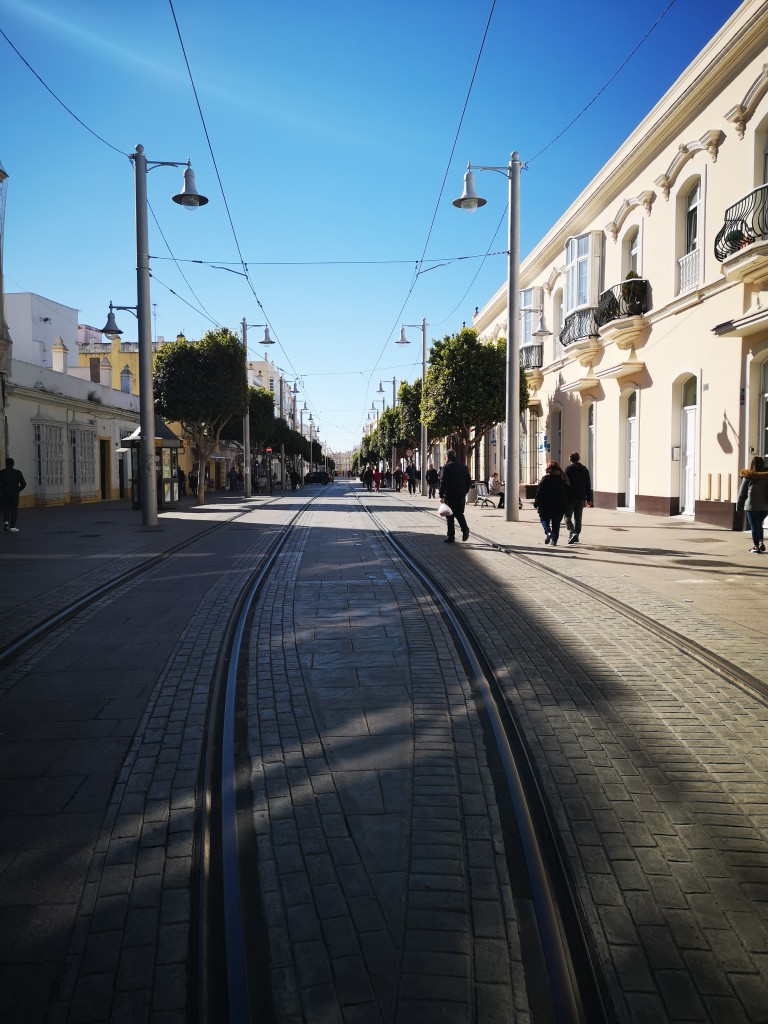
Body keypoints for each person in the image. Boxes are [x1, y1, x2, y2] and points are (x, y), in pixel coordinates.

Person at [736, 455, 768, 554]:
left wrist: (739, 506)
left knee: (754, 525)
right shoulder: (766, 477)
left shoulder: (748, 477)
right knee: (759, 525)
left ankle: (756, 547)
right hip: (765, 506)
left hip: (751, 506)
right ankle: (761, 543)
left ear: (752, 465)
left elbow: (742, 493)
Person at [533, 460, 569, 547]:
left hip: (546, 505)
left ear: (548, 469)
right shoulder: (563, 479)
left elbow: (539, 492)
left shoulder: (545, 479)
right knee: (556, 524)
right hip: (559, 505)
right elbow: (567, 492)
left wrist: (536, 503)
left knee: (544, 519)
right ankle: (554, 540)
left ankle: (548, 532)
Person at [439, 450, 471, 543]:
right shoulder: (463, 467)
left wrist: (441, 495)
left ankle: (451, 536)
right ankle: (465, 529)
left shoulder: (446, 467)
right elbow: (468, 481)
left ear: (448, 457)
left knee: (449, 515)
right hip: (461, 494)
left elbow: (443, 482)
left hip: (450, 495)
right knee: (459, 513)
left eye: (445, 456)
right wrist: (465, 491)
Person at [564, 452, 593, 544]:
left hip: (570, 497)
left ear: (570, 459)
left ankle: (572, 532)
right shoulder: (585, 470)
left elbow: (564, 483)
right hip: (581, 497)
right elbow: (588, 485)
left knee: (567, 516)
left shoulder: (568, 469)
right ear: (578, 458)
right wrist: (589, 498)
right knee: (578, 518)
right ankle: (576, 536)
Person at [0, 458, 26, 533]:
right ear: (13, 464)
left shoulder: (2, 472)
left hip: (5, 494)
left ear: (6, 464)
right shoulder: (17, 472)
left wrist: (2, 489)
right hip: (14, 494)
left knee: (5, 509)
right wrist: (18, 490)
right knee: (14, 509)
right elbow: (23, 484)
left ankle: (6, 522)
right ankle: (12, 526)